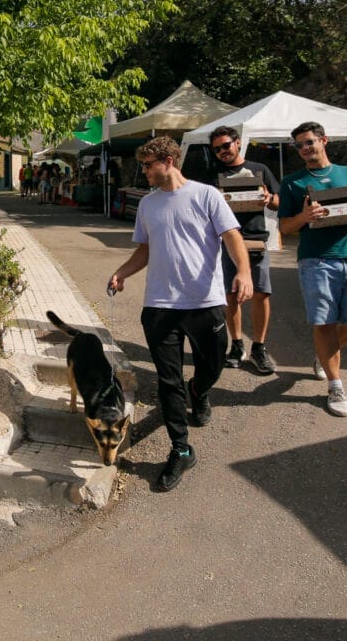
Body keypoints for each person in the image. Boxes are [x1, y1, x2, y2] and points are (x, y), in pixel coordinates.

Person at [107, 136, 252, 492]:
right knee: (167, 381)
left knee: (212, 366)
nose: (144, 171)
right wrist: (122, 273)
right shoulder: (148, 205)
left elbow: (233, 237)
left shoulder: (206, 195)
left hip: (204, 303)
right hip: (160, 306)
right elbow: (145, 250)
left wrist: (244, 273)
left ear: (169, 161)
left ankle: (199, 392)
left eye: (148, 164)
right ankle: (181, 448)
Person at [278, 121, 347, 418]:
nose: (304, 149)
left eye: (309, 142)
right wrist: (304, 215)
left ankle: (324, 356)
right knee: (324, 323)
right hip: (315, 259)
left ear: (323, 141)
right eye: (298, 145)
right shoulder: (293, 182)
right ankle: (335, 384)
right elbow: (284, 227)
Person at [203, 126, 281, 375]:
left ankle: (259, 346)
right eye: (216, 149)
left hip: (255, 240)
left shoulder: (260, 170)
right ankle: (237, 345)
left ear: (238, 143)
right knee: (230, 295)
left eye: (225, 145)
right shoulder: (212, 175)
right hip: (223, 243)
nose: (222, 152)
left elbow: (279, 201)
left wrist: (269, 199)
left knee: (261, 294)